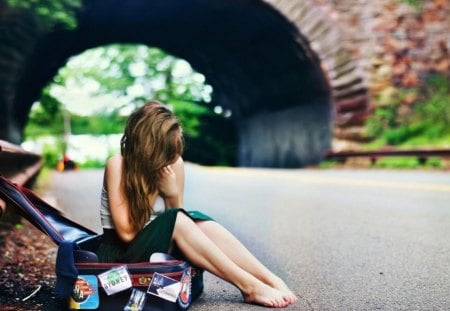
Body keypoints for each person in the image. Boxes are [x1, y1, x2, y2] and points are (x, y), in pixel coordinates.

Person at [96, 101, 297, 308]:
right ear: (149, 145)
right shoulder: (118, 165)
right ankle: (249, 286)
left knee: (201, 221)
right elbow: (127, 234)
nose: (169, 158)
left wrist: (171, 195)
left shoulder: (174, 163)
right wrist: (157, 190)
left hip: (155, 249)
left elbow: (178, 216)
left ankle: (270, 280)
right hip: (121, 255)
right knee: (182, 221)